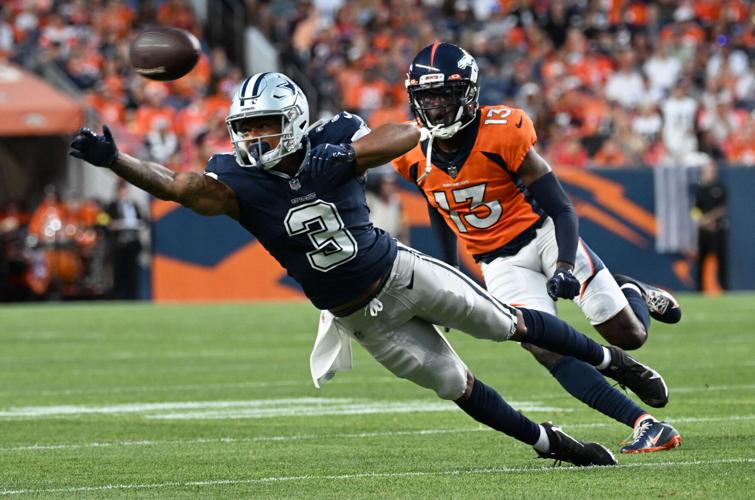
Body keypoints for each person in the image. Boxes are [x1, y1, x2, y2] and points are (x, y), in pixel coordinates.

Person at [71, 71, 671, 467]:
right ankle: (553, 445)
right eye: (246, 128)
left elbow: (404, 132)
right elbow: (176, 185)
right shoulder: (235, 183)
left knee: (510, 326)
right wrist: (115, 159)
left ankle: (616, 362)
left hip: (404, 272)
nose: (254, 139)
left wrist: (340, 158)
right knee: (453, 385)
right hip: (359, 318)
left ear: (296, 121)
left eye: (266, 126)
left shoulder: (332, 142)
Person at [392, 42, 682, 454]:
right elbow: (437, 201)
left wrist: (564, 263)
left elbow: (562, 208)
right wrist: (449, 272)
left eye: (445, 95)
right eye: (427, 97)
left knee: (628, 336)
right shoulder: (409, 152)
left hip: (543, 237)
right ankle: (643, 422)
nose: (435, 108)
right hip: (498, 262)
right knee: (544, 347)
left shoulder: (502, 131)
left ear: (468, 93)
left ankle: (631, 292)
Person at [106, 180, 146, 300]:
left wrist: (140, 224)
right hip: (119, 244)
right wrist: (112, 225)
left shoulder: (134, 205)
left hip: (133, 243)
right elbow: (103, 220)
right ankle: (118, 297)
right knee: (118, 272)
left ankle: (133, 297)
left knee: (132, 272)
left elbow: (143, 220)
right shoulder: (111, 206)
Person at [692, 159, 727, 292]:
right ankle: (700, 288)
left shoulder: (719, 187)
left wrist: (708, 219)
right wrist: (702, 221)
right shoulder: (700, 189)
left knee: (721, 259)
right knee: (701, 259)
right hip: (704, 230)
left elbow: (722, 208)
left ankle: (724, 286)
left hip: (717, 228)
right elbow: (695, 209)